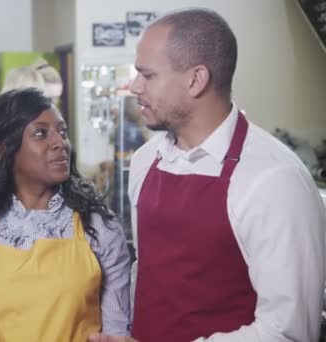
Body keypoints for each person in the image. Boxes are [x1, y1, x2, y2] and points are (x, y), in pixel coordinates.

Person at [94, 8, 326, 342]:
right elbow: (149, 273)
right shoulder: (146, 162)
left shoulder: (275, 179)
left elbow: (288, 332)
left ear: (196, 79)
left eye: (148, 75)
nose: (135, 87)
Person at [0, 88, 132, 341]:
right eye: (41, 134)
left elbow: (117, 332)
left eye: (62, 132)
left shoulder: (98, 227)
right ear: (2, 150)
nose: (60, 143)